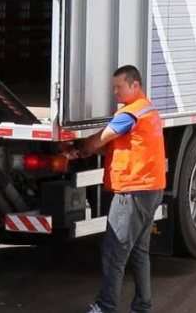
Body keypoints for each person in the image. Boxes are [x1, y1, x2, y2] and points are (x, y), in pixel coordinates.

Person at [72, 65, 166, 313]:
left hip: (132, 191)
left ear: (135, 85)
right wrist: (90, 149)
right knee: (139, 251)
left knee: (114, 251)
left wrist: (79, 147)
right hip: (151, 188)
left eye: (118, 87)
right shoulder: (147, 110)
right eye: (113, 87)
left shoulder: (130, 113)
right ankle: (142, 307)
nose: (114, 92)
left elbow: (100, 139)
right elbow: (119, 146)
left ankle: (106, 307)